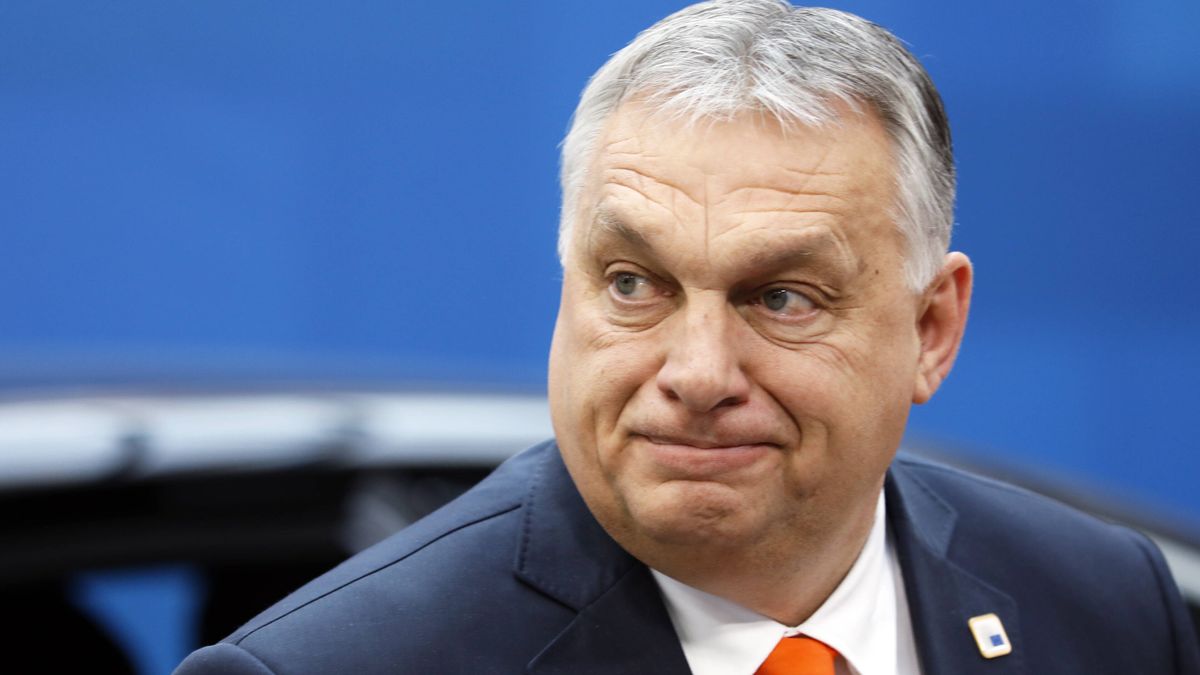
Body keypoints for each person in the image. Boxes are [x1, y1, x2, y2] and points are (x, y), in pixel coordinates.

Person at [176, 1, 1200, 673]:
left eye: (782, 298)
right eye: (634, 284)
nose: (697, 374)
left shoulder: (1109, 606)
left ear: (932, 329)